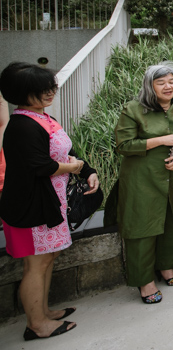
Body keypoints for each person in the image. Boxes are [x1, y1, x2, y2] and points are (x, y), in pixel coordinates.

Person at [0, 63, 100, 340]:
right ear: (20, 93)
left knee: (48, 258)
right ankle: (37, 323)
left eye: (50, 87)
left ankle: (43, 312)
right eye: (40, 90)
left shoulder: (42, 117)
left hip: (49, 203)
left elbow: (67, 151)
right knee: (36, 264)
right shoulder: (21, 125)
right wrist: (77, 168)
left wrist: (88, 170)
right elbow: (40, 166)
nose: (49, 93)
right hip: (31, 207)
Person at [114, 62, 173, 303]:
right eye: (161, 82)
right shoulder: (133, 109)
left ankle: (166, 267)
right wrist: (159, 140)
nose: (168, 86)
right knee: (142, 228)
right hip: (142, 180)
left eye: (172, 81)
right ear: (149, 86)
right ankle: (145, 281)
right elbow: (122, 145)